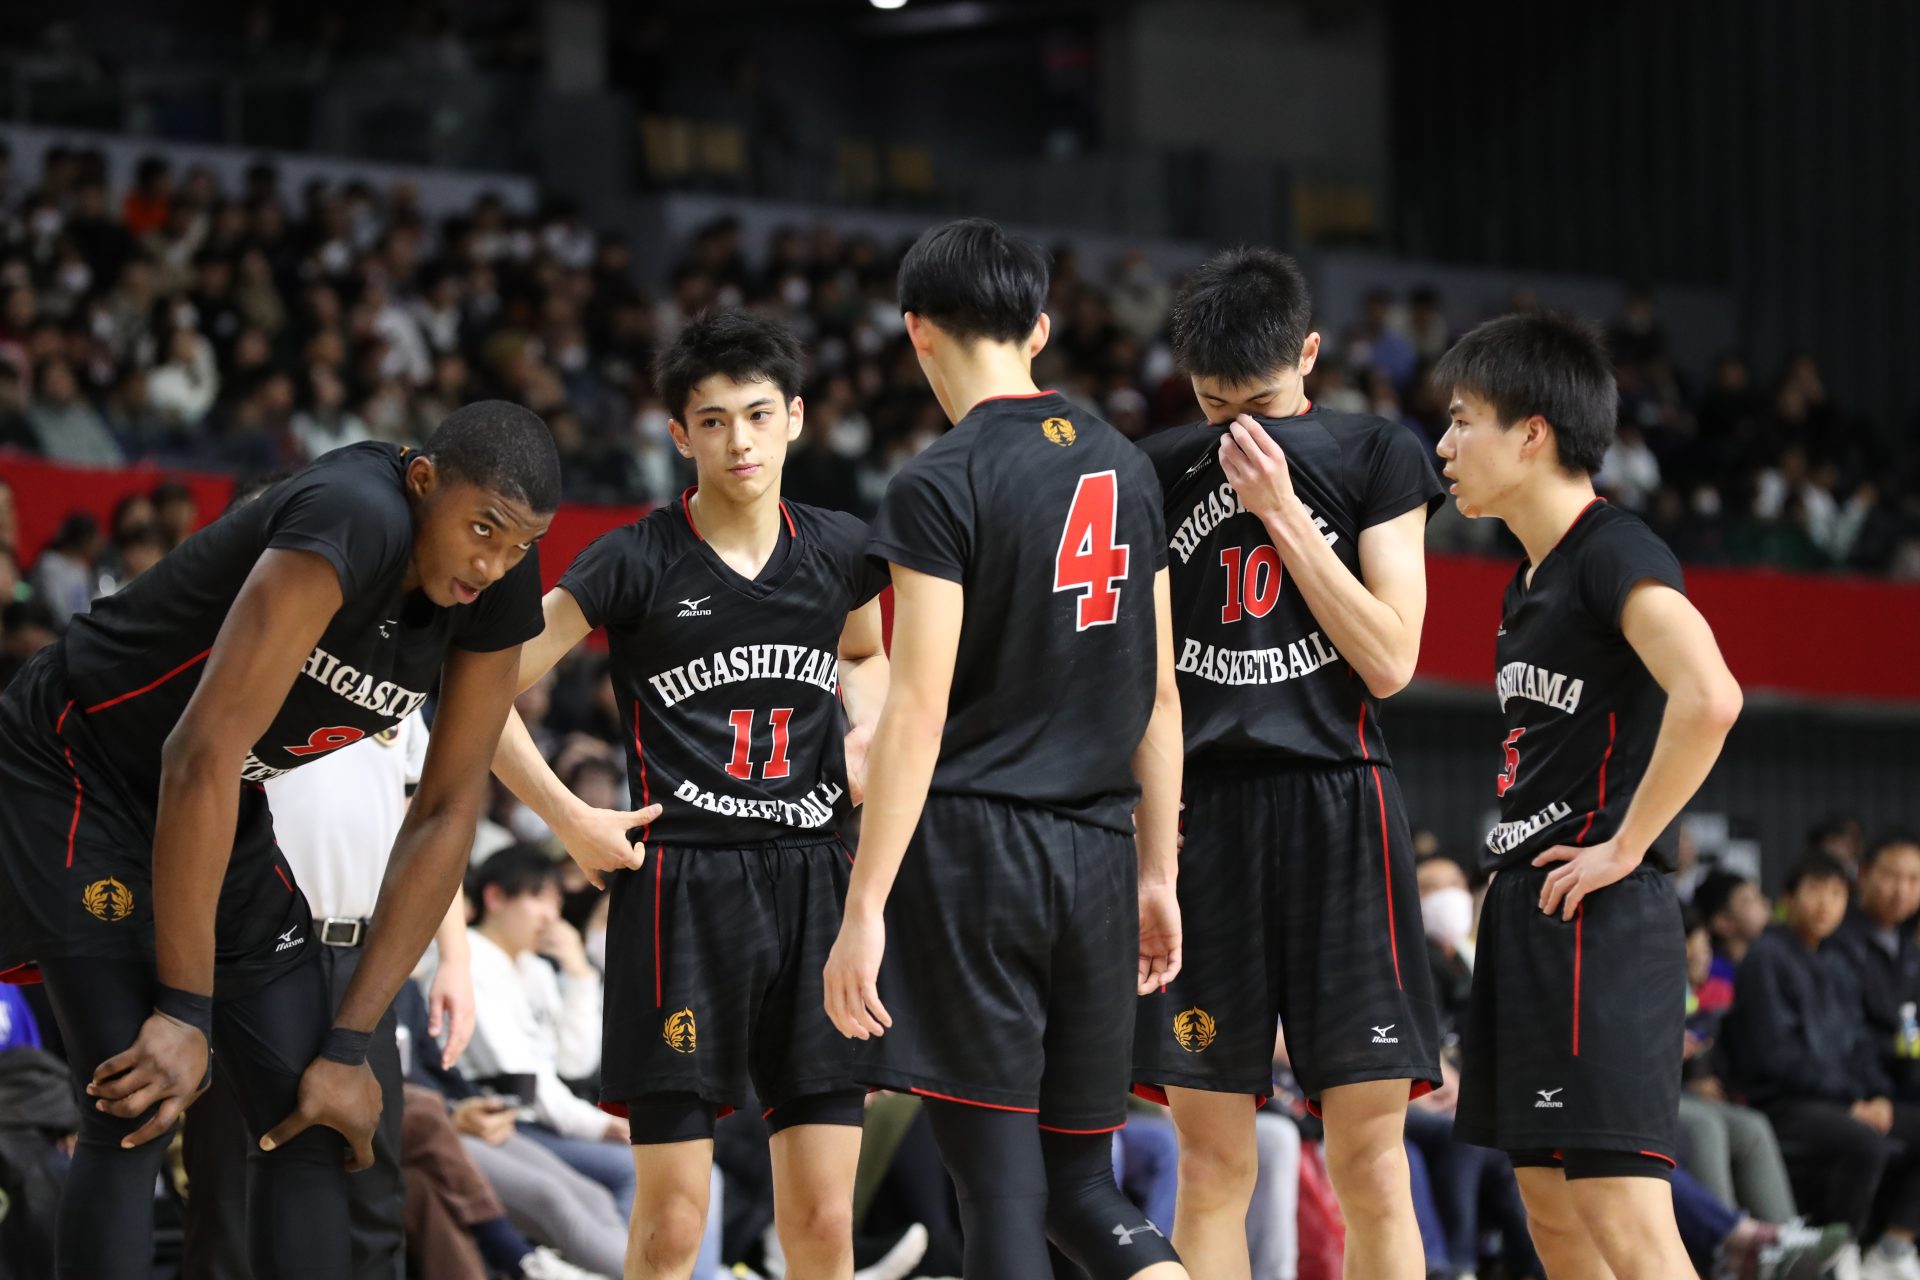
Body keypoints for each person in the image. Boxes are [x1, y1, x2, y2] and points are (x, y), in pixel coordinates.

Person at [0, 402, 557, 1277]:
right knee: (134, 1106)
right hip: (80, 762)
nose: (494, 563)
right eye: (482, 528)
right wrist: (186, 1010)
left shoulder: (493, 587)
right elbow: (199, 749)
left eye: (519, 544)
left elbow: (449, 809)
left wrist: (348, 1043)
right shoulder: (353, 512)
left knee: (317, 1112)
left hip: (223, 797)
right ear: (422, 482)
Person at [489, 308, 891, 1280]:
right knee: (673, 1224)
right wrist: (566, 813)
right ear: (679, 434)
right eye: (713, 420)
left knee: (827, 1218)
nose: (739, 440)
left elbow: (870, 654)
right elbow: (483, 686)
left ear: (795, 418)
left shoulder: (840, 549)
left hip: (815, 884)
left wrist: (867, 727)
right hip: (681, 890)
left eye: (757, 415)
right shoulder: (634, 558)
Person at [820, 217, 1188, 1280]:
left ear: (916, 331)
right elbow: (1159, 694)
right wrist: (1157, 869)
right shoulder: (1127, 464)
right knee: (1083, 1189)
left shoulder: (940, 479)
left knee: (1002, 1201)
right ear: (1037, 325)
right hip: (1102, 855)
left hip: (981, 861)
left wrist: (865, 906)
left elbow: (918, 705)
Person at [1128, 246, 1444, 1280]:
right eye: (1218, 408)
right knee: (1213, 1161)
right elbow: (1142, 680)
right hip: (1205, 815)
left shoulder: (1377, 454)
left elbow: (1393, 657)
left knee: (1370, 1160)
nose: (1239, 431)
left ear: (1310, 355)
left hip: (1341, 808)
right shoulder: (1154, 469)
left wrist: (1278, 510)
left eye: (1259, 401)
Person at [1434, 313, 1743, 1280]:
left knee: (1627, 1224)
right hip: (1531, 915)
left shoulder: (1615, 549)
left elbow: (1712, 696)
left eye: (1462, 420)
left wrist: (1623, 844)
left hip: (1600, 920)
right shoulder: (1526, 581)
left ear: (1531, 432)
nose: (1442, 446)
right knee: (1553, 1218)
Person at [181, 710, 476, 1280]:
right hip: (246, 952)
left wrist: (457, 960)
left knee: (371, 1185)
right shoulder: (252, 643)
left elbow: (433, 820)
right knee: (229, 1185)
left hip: (366, 957)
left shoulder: (406, 685)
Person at [1724, 852, 1920, 1279]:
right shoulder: (1766, 958)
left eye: (1836, 894)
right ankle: (1836, 1252)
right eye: (1814, 891)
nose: (1825, 904)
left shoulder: (1839, 960)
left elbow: (1858, 1044)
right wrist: (1852, 1101)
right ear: (1788, 898)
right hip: (1784, 1102)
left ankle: (1892, 1248)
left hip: (1841, 1099)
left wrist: (1876, 1096)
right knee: (1864, 1144)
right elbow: (1774, 1056)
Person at [1830, 834, 1920, 1102]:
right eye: (1891, 877)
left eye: (1914, 880)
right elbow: (1845, 1032)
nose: (1901, 891)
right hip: (1861, 1085)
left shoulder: (1909, 946)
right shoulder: (1838, 940)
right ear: (1863, 874)